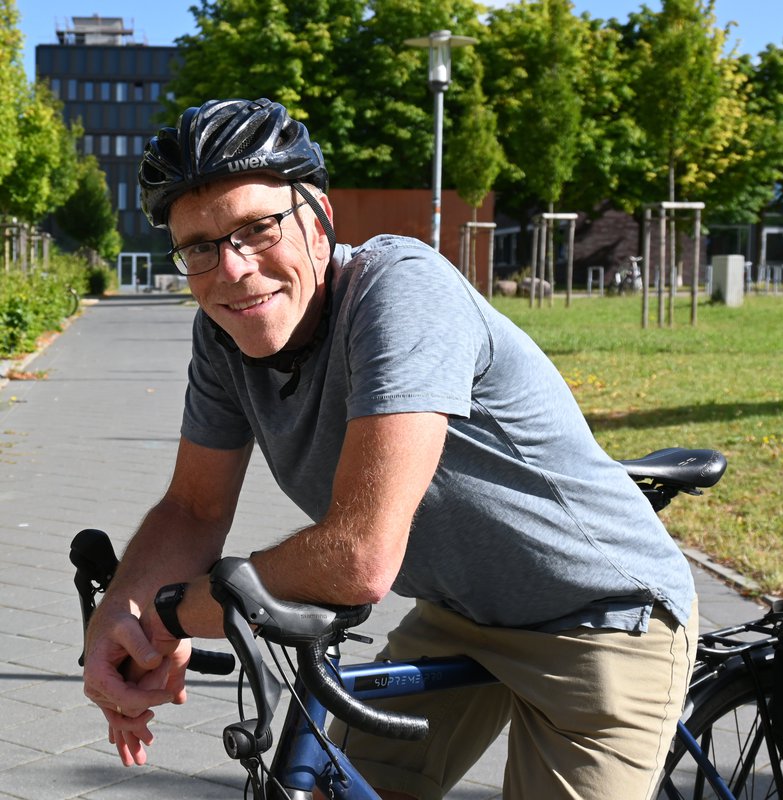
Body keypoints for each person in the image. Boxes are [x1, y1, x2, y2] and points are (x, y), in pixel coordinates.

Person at [82, 96, 699, 800]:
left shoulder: (400, 291)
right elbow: (193, 509)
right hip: (459, 613)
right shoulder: (221, 338)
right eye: (200, 245)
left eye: (257, 228)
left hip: (599, 616)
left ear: (318, 220)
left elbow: (359, 558)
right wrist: (117, 623)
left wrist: (165, 615)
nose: (232, 269)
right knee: (327, 790)